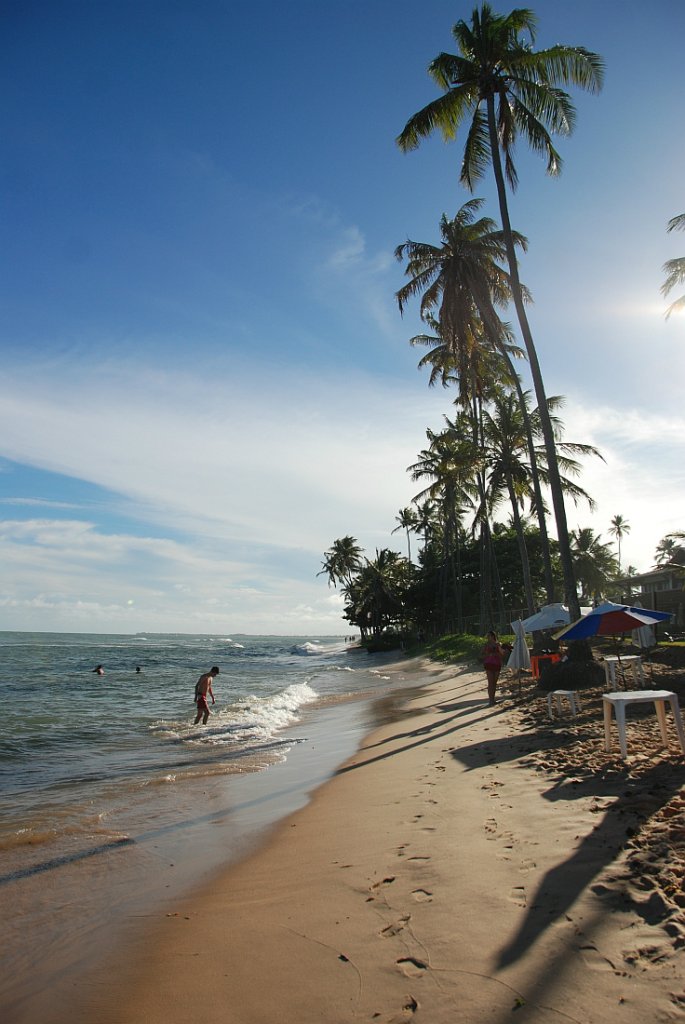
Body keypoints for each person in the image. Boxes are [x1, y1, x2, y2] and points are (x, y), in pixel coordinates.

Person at [481, 631, 504, 706]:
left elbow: (502, 654)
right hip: (489, 663)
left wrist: (496, 651)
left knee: (494, 683)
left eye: (489, 636)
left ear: (493, 636)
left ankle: (492, 699)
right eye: (487, 636)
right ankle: (491, 700)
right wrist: (488, 653)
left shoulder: (498, 644)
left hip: (497, 664)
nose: (488, 638)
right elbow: (482, 654)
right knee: (490, 683)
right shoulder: (486, 645)